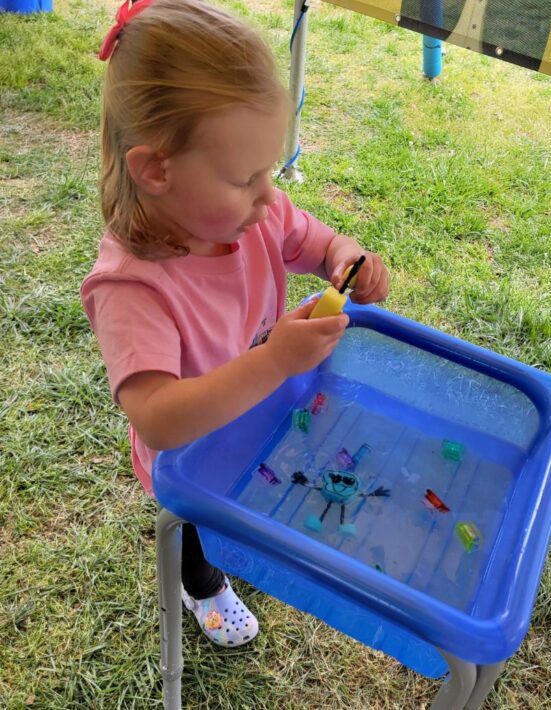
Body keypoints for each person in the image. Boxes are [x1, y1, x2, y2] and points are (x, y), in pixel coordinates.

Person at [81, 0, 389, 648]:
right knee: (200, 529)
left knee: (253, 498)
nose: (271, 198)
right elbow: (159, 415)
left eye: (271, 171)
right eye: (245, 177)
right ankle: (202, 585)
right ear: (156, 170)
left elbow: (314, 238)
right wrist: (275, 360)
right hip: (190, 456)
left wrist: (344, 257)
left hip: (260, 418)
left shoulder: (253, 216)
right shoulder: (132, 287)